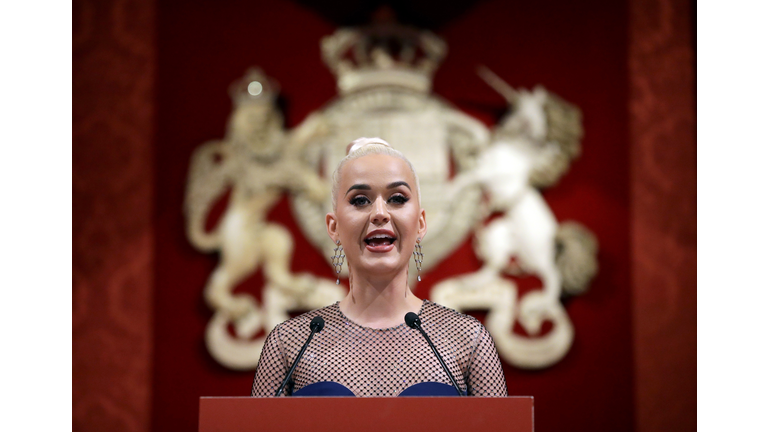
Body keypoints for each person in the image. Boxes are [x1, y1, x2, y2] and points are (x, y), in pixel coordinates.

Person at [250, 137, 508, 397]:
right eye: (360, 200)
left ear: (420, 223)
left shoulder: (467, 339)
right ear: (334, 227)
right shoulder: (290, 343)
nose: (380, 213)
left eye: (397, 198)